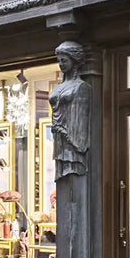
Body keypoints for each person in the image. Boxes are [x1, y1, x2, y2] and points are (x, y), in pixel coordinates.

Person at [48, 41, 91, 181]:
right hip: (59, 137)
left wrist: (76, 141)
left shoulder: (82, 87)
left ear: (74, 61)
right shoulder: (58, 87)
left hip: (71, 138)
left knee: (74, 172)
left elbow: (81, 118)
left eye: (64, 60)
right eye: (59, 61)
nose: (61, 64)